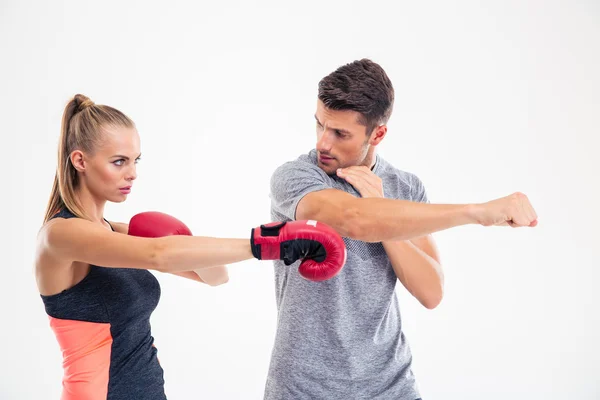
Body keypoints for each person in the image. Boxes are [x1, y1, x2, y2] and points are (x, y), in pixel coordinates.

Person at [35, 94, 346, 400]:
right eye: (119, 162)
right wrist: (267, 243)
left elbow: (215, 276)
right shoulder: (61, 235)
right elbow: (158, 255)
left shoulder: (114, 232)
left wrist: (185, 238)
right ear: (80, 161)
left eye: (135, 161)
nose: (132, 173)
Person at [264, 59, 538, 400]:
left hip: (390, 386)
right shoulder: (296, 178)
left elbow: (431, 292)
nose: (324, 143)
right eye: (320, 125)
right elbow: (354, 219)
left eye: (340, 133)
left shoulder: (405, 187)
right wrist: (477, 213)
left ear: (378, 133)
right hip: (303, 388)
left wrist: (380, 203)